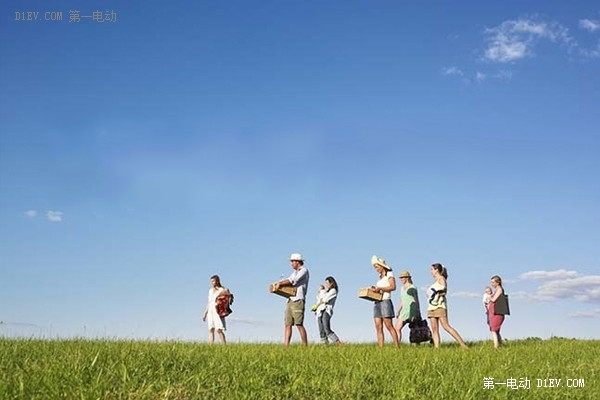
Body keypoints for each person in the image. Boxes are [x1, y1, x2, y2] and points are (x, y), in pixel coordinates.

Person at [271, 253, 310, 347]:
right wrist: (279, 283)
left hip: (298, 299)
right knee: (287, 324)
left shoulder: (304, 270)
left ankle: (305, 346)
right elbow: (290, 279)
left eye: (292, 261)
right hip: (290, 299)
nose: (291, 263)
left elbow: (294, 281)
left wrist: (280, 284)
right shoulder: (294, 272)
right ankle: (286, 346)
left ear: (297, 262)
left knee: (299, 324)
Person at [427, 263, 468, 349]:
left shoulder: (441, 279)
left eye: (432, 269)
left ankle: (463, 345)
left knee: (446, 326)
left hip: (440, 306)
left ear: (436, 270)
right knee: (434, 329)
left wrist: (435, 293)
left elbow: (444, 291)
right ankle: (437, 348)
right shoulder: (434, 281)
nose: (431, 272)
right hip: (431, 307)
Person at [370, 255, 400, 348]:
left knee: (388, 325)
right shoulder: (379, 278)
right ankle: (381, 348)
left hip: (385, 302)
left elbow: (393, 287)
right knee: (378, 326)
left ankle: (397, 347)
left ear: (382, 266)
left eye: (377, 267)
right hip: (377, 302)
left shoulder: (389, 275)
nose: (376, 269)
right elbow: (380, 289)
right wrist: (375, 289)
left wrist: (380, 289)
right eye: (375, 267)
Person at [394, 270, 422, 343]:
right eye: (401, 278)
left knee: (415, 329)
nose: (401, 279)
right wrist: (398, 311)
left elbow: (416, 300)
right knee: (397, 328)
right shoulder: (401, 288)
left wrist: (418, 311)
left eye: (402, 278)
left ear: (407, 278)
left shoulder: (412, 287)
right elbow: (402, 301)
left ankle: (417, 345)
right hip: (404, 311)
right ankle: (397, 345)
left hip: (412, 310)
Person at [202, 275, 230, 345]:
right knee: (211, 329)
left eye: (213, 281)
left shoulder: (222, 290)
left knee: (219, 329)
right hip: (210, 311)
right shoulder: (210, 291)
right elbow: (209, 302)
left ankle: (224, 346)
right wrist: (205, 313)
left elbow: (227, 299)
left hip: (218, 310)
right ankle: (210, 347)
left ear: (217, 281)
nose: (212, 283)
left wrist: (224, 307)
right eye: (211, 281)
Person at [314, 276, 342, 346]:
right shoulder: (326, 292)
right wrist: (320, 292)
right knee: (321, 329)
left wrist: (317, 306)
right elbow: (320, 299)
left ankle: (339, 344)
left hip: (326, 311)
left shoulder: (333, 291)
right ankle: (325, 345)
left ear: (331, 283)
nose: (326, 285)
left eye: (327, 283)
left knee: (326, 329)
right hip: (320, 311)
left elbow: (324, 300)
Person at [488, 275, 506, 348]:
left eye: (493, 282)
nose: (492, 284)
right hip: (494, 312)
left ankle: (496, 346)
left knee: (493, 330)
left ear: (497, 282)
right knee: (496, 330)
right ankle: (500, 345)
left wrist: (489, 297)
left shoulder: (499, 290)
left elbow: (494, 300)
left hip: (497, 312)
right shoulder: (497, 290)